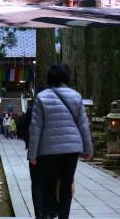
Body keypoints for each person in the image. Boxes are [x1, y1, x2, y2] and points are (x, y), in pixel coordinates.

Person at [28, 63, 93, 219]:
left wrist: (32, 155)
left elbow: (36, 128)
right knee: (66, 184)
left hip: (48, 151)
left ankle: (49, 214)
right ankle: (64, 216)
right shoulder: (76, 96)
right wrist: (88, 150)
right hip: (71, 150)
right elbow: (83, 125)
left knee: (48, 185)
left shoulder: (42, 98)